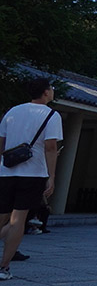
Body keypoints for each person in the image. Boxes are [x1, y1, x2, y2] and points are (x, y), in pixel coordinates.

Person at [0, 77, 63, 281]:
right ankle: (4, 266)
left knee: (2, 216)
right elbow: (51, 147)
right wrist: (51, 176)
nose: (52, 91)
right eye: (51, 88)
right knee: (18, 220)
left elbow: (1, 142)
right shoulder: (52, 115)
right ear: (46, 92)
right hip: (33, 172)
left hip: (6, 172)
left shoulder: (12, 111)